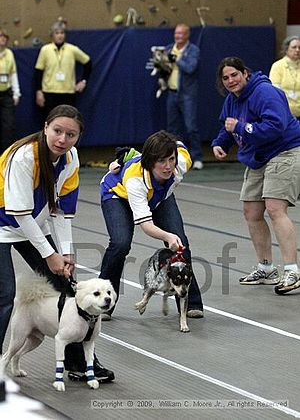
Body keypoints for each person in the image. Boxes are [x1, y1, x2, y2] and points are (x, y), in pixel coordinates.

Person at [0, 104, 114, 382]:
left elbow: (60, 211)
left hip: (31, 226)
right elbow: (20, 216)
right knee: (4, 295)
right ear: (46, 128)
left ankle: (78, 363)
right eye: (58, 131)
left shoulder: (70, 159)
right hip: (5, 225)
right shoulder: (24, 156)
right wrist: (50, 253)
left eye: (71, 134)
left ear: (78, 137)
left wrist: (65, 252)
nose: (63, 139)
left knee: (65, 285)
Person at [212, 56, 300, 294]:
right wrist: (221, 142)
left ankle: (292, 270)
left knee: (274, 207)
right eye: (226, 77)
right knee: (251, 211)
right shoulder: (232, 99)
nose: (231, 80)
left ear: (245, 73)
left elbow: (275, 126)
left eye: (234, 75)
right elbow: (227, 126)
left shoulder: (265, 93)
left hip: (285, 151)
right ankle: (266, 267)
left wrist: (240, 128)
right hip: (258, 155)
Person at [99, 130, 203, 320]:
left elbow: (179, 145)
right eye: (161, 161)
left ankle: (191, 302)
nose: (168, 166)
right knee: (120, 244)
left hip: (159, 196)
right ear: (150, 162)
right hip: (118, 195)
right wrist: (167, 237)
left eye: (171, 159)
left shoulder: (180, 162)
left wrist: (174, 237)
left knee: (182, 241)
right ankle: (104, 302)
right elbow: (146, 225)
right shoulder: (135, 179)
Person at [165, 24, 203, 170]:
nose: (178, 36)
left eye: (181, 34)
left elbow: (190, 68)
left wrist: (176, 59)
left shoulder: (193, 50)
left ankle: (197, 157)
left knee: (191, 127)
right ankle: (174, 158)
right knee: (172, 129)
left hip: (187, 95)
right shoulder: (169, 48)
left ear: (187, 35)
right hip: (171, 93)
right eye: (176, 33)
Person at [34, 21, 92, 119]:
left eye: (62, 33)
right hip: (49, 92)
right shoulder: (45, 50)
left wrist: (83, 81)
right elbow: (38, 72)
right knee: (50, 122)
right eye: (57, 33)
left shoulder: (72, 49)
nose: (60, 36)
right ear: (52, 35)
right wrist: (39, 91)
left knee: (67, 122)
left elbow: (88, 62)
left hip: (68, 93)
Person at [0, 28, 21, 154]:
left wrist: (16, 92)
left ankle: (6, 155)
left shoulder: (9, 54)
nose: (2, 39)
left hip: (6, 94)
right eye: (0, 36)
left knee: (8, 126)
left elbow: (13, 74)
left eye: (4, 37)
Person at [269, 35, 300, 120]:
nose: (297, 50)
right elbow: (275, 92)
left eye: (299, 47)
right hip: (285, 113)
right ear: (286, 49)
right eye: (294, 47)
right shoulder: (277, 66)